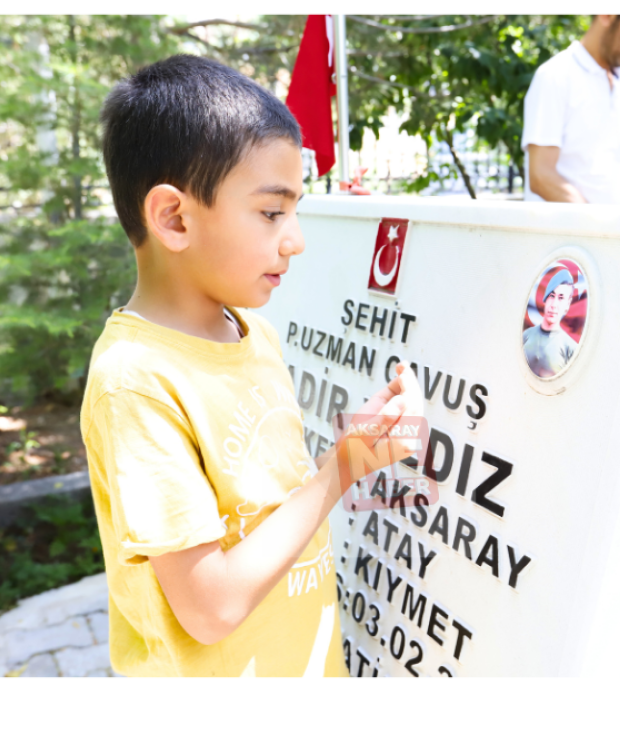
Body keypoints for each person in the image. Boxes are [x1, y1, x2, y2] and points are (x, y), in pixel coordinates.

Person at [80, 55, 422, 677]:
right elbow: (211, 608)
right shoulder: (135, 381)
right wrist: (342, 468)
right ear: (174, 218)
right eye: (272, 213)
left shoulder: (255, 333)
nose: (295, 239)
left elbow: (272, 505)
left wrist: (362, 450)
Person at [523, 15, 620, 207]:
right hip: (562, 236)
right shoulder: (556, 76)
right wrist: (593, 227)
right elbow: (541, 175)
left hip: (608, 235)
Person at [523, 269, 578, 377]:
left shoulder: (571, 349)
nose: (554, 304)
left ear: (567, 304)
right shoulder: (525, 336)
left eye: (561, 298)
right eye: (551, 296)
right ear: (545, 299)